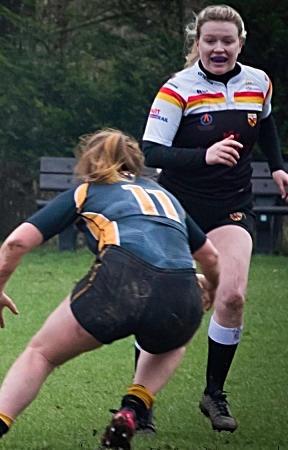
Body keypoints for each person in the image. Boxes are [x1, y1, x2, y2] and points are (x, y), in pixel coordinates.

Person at [0, 129, 220, 449]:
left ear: (89, 162)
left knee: (41, 354)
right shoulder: (166, 197)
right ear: (135, 162)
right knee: (171, 344)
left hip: (122, 277)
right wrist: (210, 290)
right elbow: (211, 256)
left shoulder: (87, 191)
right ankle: (132, 410)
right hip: (182, 289)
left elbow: (17, 242)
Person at [141, 4, 288, 433]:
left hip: (231, 208)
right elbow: (151, 152)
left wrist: (278, 166)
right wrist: (204, 155)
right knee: (165, 307)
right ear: (197, 43)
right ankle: (140, 402)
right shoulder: (177, 89)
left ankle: (214, 394)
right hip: (179, 211)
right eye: (210, 41)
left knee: (232, 296)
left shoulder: (258, 81)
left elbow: (266, 123)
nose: (219, 48)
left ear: (240, 43)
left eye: (227, 41)